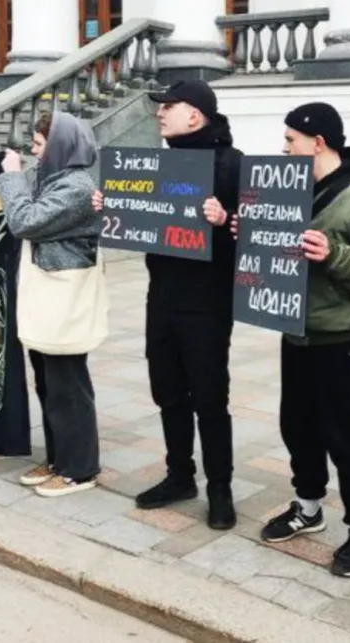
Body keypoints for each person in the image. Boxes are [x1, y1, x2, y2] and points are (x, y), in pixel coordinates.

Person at [252, 102, 350, 578]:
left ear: (318, 143)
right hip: (295, 332)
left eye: (290, 140)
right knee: (297, 426)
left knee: (344, 435)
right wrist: (244, 231)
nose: (283, 148)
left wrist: (333, 253)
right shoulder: (287, 191)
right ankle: (308, 505)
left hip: (341, 339)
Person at [91, 80, 242, 528]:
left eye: (168, 106)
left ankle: (220, 488)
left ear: (194, 115)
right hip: (161, 299)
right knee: (168, 393)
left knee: (210, 399)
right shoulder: (158, 163)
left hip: (208, 305)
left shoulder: (232, 164)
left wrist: (225, 221)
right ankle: (180, 476)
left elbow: (260, 238)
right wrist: (111, 204)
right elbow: (140, 219)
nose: (159, 113)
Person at [0, 111, 104, 498]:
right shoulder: (55, 179)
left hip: (63, 300)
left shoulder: (75, 187)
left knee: (67, 386)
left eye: (40, 145)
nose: (34, 152)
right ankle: (60, 458)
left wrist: (11, 177)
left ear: (60, 146)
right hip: (49, 296)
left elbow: (24, 221)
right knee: (49, 383)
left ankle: (80, 469)